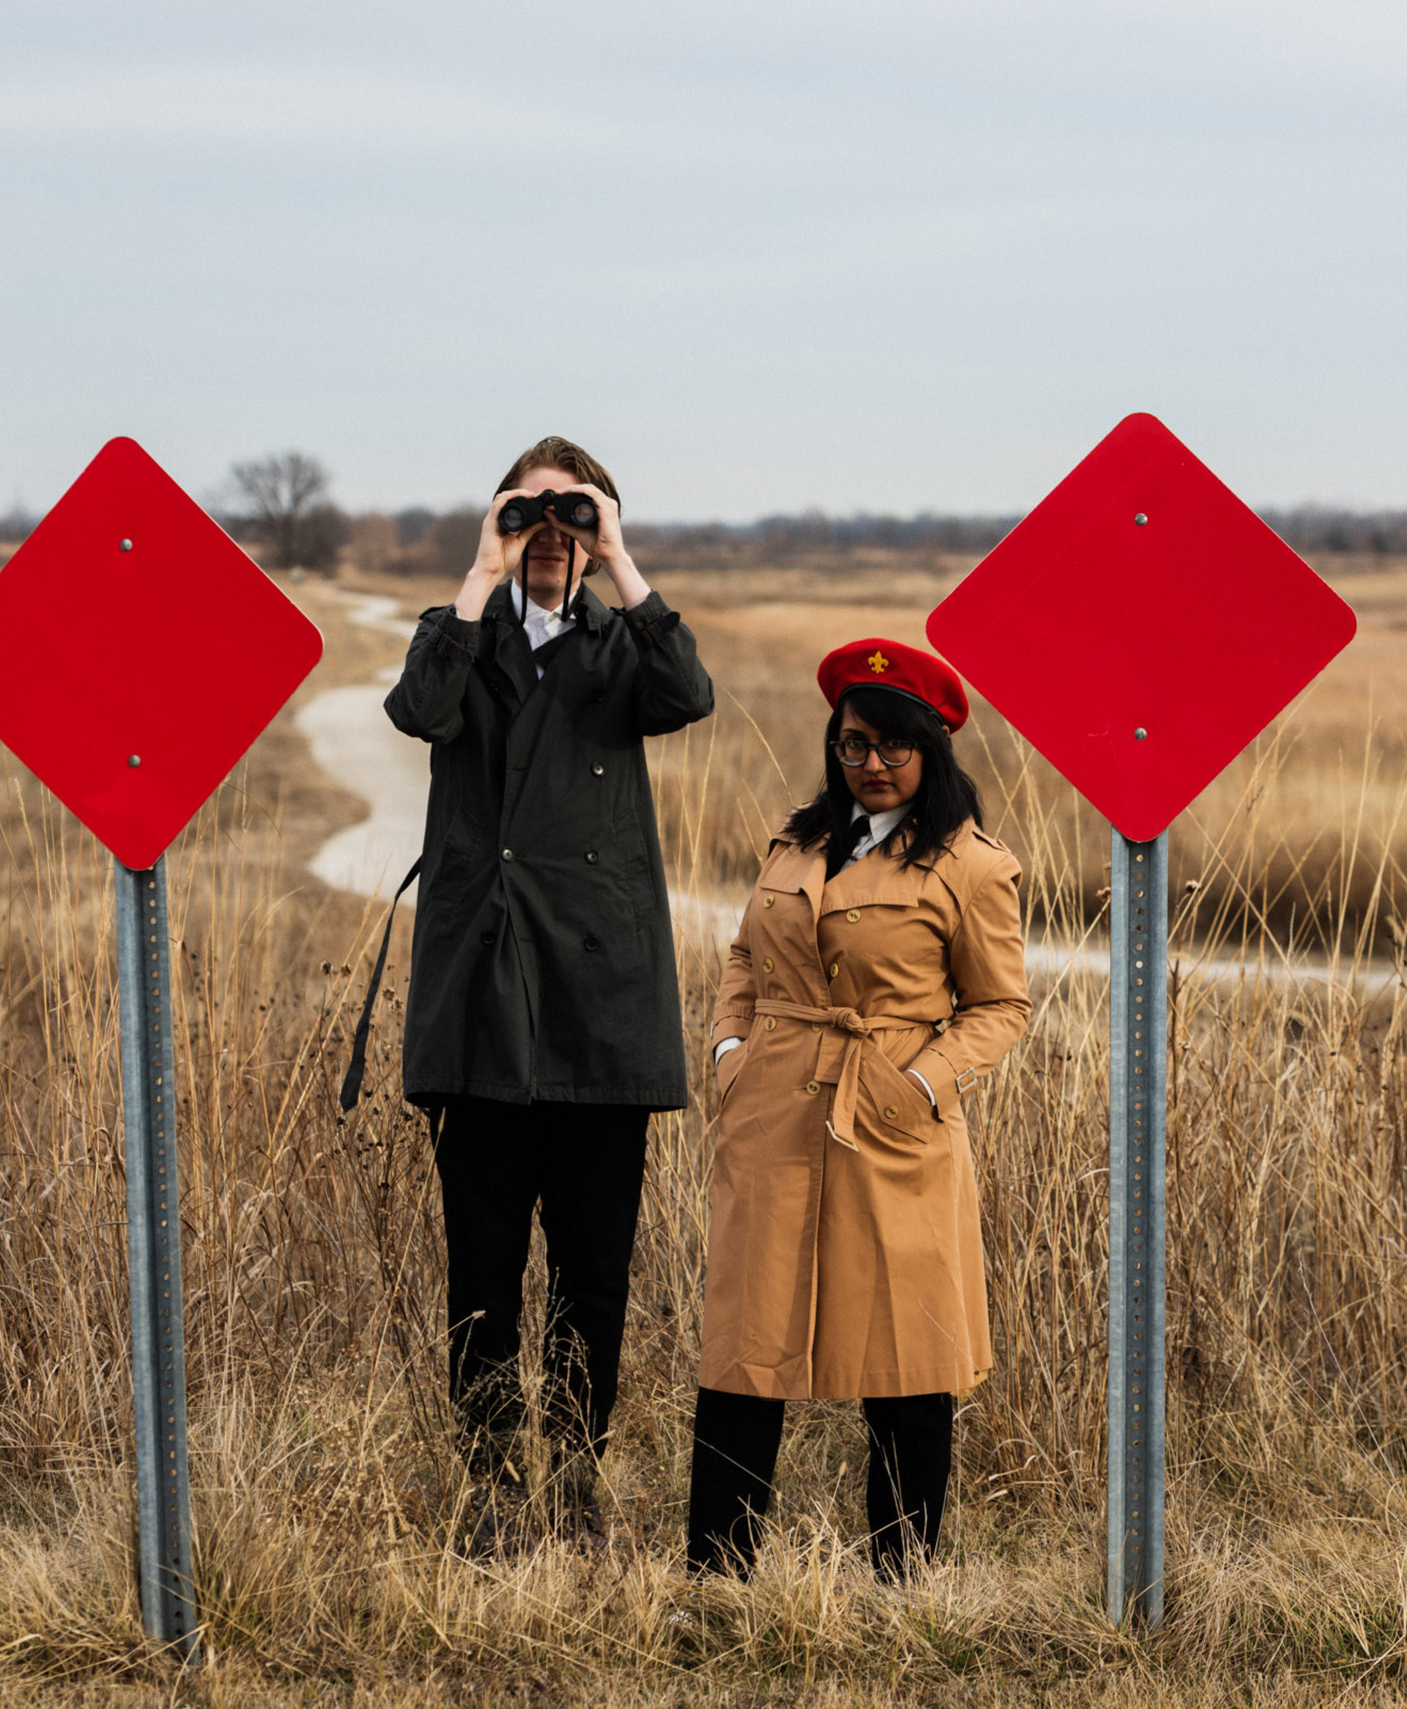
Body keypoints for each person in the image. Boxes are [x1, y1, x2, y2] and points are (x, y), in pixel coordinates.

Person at [381, 436, 714, 1551]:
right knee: (480, 1271)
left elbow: (689, 693)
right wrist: (477, 571)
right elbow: (415, 711)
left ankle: (573, 1480)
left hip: (598, 1006)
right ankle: (489, 1487)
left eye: (571, 518)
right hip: (481, 1001)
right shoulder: (462, 643)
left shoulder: (624, 646)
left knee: (592, 1275)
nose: (550, 535)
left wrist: (618, 554)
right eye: (531, 516)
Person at [686, 637, 1030, 1580]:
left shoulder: (970, 863)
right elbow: (748, 957)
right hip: (773, 1116)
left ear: (932, 749)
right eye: (852, 745)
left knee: (906, 1358)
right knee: (746, 1350)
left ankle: (903, 1578)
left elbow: (1001, 1007)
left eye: (892, 747)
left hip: (891, 1126)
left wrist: (916, 1082)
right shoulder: (797, 841)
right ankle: (717, 1574)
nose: (871, 765)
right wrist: (729, 1052)